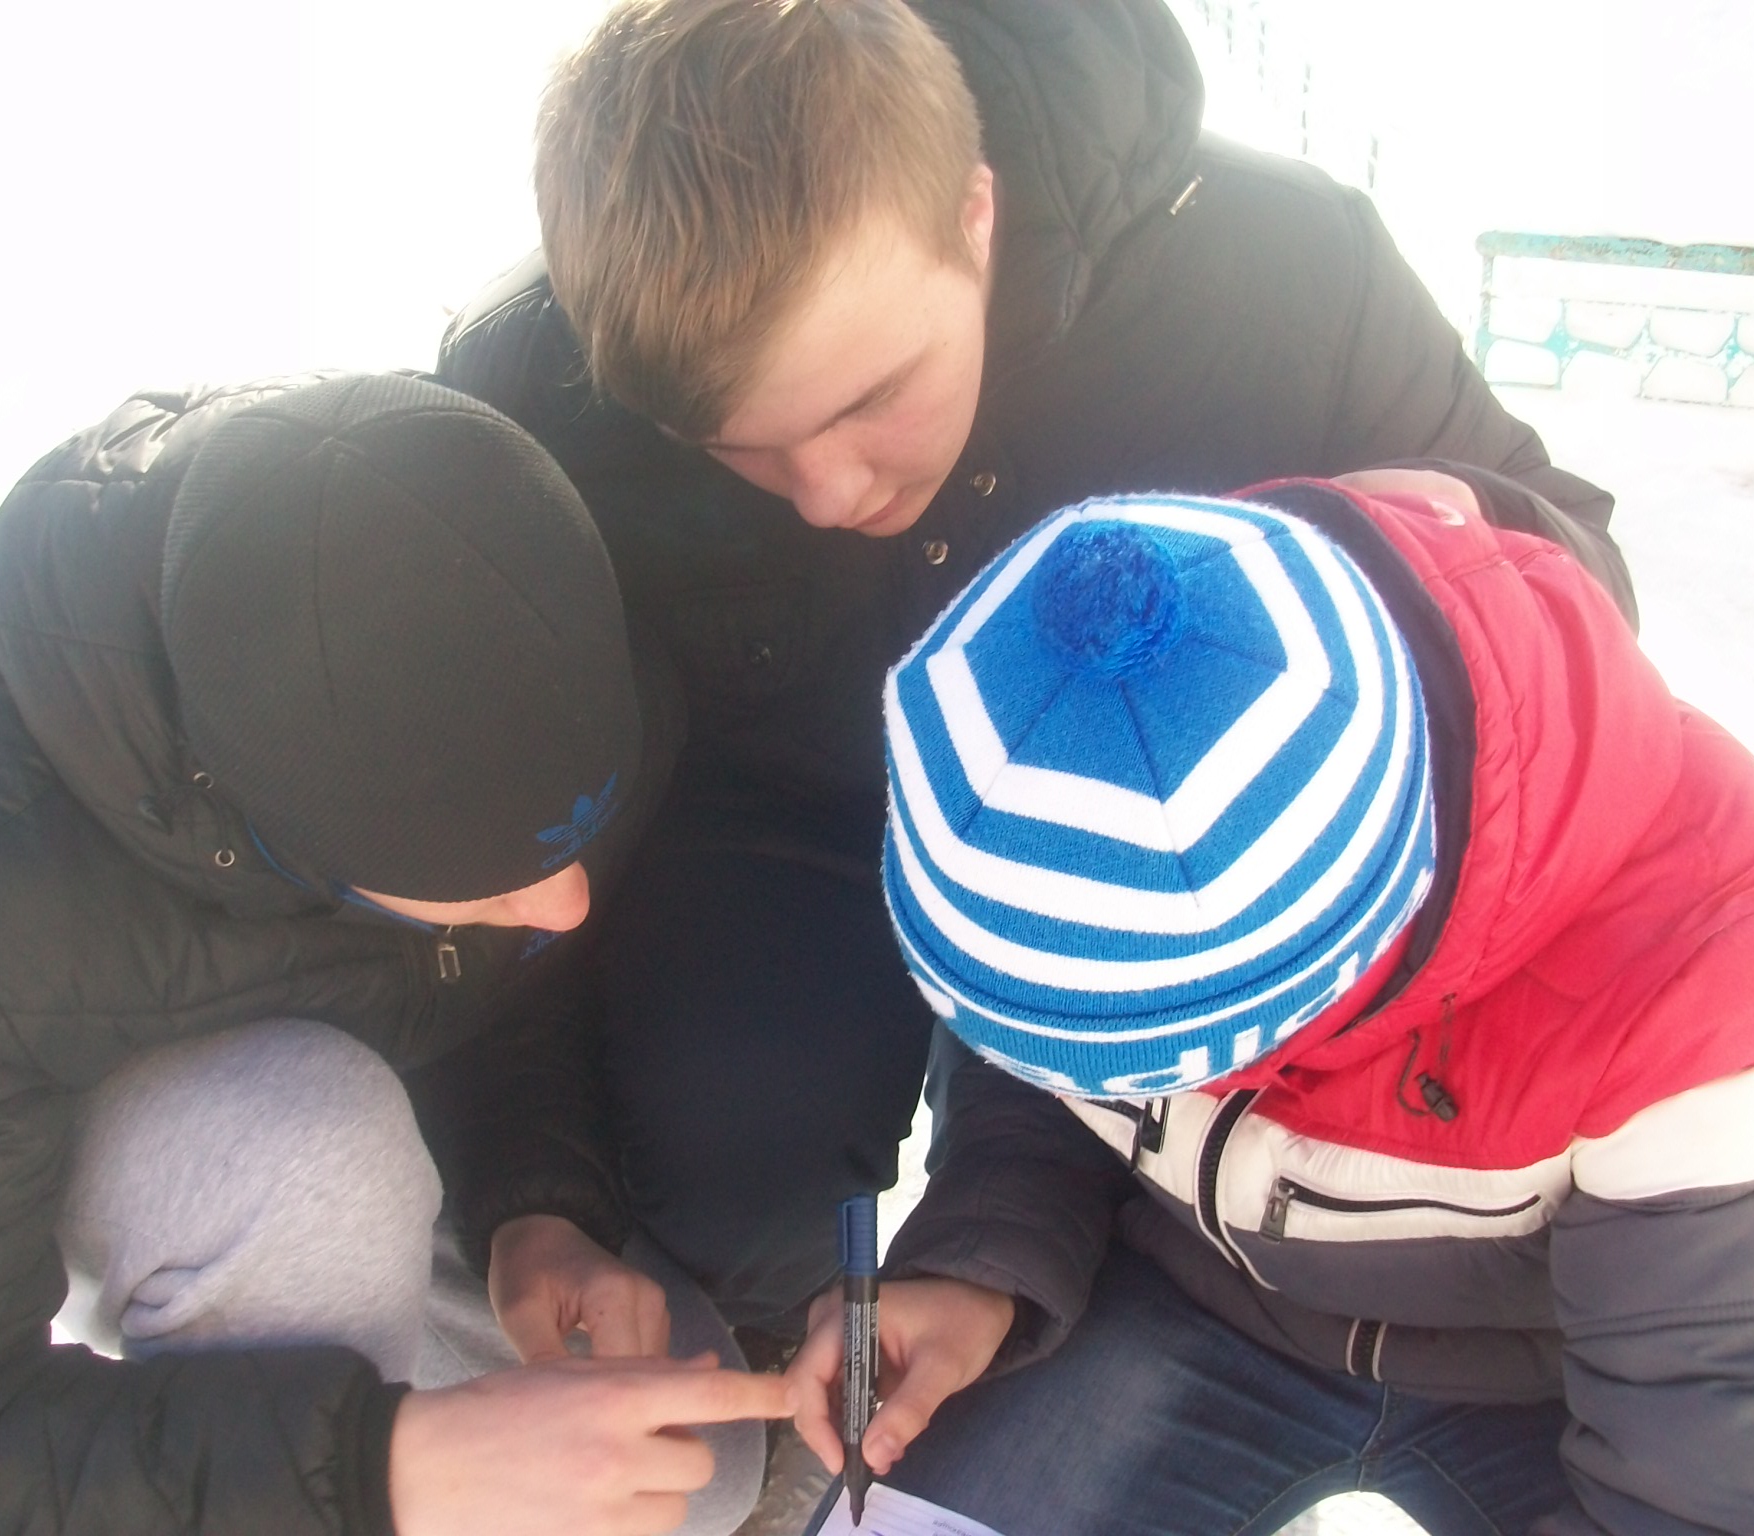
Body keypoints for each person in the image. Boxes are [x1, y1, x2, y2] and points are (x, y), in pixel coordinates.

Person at [431, 0, 1640, 1335]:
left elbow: (1571, 571)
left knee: (1151, 1253)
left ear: (976, 214)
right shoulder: (534, 388)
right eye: (736, 448)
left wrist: (1394, 563)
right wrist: (532, 1186)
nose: (828, 494)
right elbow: (492, 833)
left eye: (870, 398)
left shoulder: (1279, 272)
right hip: (784, 831)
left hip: (1162, 853)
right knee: (716, 1185)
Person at [0, 374, 790, 1536]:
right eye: (490, 877)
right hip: (9, 1091)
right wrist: (380, 1471)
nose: (564, 906)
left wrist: (536, 1210)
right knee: (311, 1163)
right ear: (303, 842)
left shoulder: (482, 565)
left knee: (699, 1473)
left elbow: (499, 974)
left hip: (314, 1029)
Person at [782, 472, 1754, 1534]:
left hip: (1563, 1378)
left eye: (1138, 1069)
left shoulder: (1701, 961)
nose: (1084, 1087)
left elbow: (1719, 1461)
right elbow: (1039, 1061)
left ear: (1334, 973)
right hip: (1186, 1293)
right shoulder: (1096, 696)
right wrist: (979, 1263)